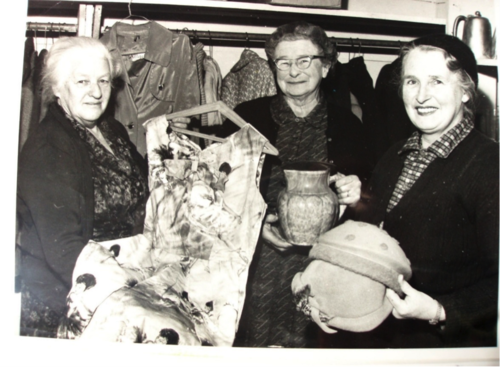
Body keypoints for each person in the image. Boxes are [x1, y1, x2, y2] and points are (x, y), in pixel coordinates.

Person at [327, 34, 499, 348]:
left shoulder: (490, 164)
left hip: (442, 350)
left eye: (436, 82)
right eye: (411, 82)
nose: (421, 96)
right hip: (377, 337)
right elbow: (373, 240)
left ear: (465, 91)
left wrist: (439, 310)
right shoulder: (394, 155)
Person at [221, 21, 375, 348]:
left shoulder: (349, 125)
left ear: (327, 66)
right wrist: (257, 224)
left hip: (322, 266)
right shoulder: (246, 117)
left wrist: (357, 190)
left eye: (304, 60)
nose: (293, 71)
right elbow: (218, 190)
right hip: (255, 262)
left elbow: (369, 200)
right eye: (283, 62)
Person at [16, 37, 149, 338]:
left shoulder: (110, 129)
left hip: (128, 283)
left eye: (103, 80)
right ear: (57, 88)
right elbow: (64, 248)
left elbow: (146, 188)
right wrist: (130, 294)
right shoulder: (49, 147)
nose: (97, 92)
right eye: (82, 81)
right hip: (75, 303)